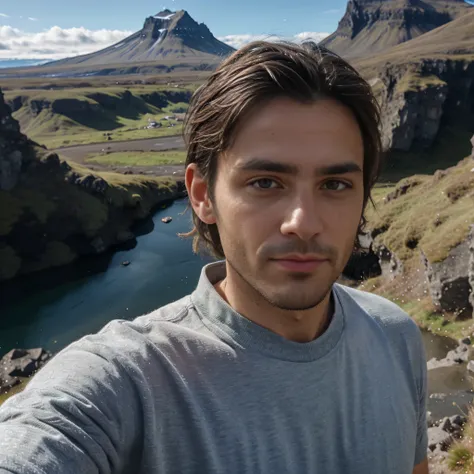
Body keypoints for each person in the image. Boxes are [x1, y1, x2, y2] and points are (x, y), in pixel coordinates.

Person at [0, 41, 428, 474]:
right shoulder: (128, 380)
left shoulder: (395, 336)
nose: (303, 222)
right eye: (265, 182)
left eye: (335, 185)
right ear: (202, 195)